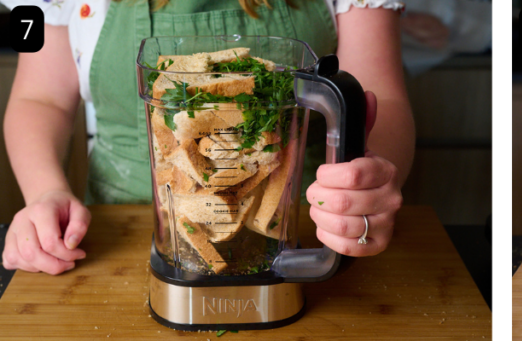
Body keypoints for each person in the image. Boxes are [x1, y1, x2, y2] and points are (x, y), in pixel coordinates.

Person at [1, 0, 414, 275]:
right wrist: (44, 193)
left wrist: (366, 185)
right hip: (112, 235)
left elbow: (380, 95)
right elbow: (41, 99)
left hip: (302, 224)